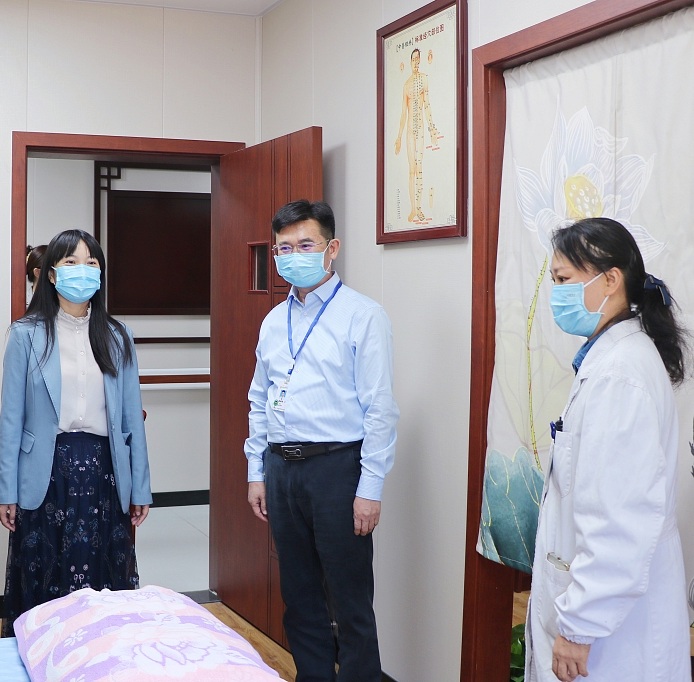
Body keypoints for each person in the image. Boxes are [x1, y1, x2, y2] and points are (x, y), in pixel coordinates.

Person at [527, 218, 690, 682]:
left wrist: (580, 626)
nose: (556, 293)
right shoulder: (612, 360)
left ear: (611, 279)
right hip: (610, 616)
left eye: (564, 279)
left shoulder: (620, 374)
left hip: (612, 635)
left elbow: (618, 520)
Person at [246, 200, 399, 682]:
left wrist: (370, 488)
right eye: (284, 248)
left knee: (350, 601)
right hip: (282, 469)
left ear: (332, 249)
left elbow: (380, 408)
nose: (294, 255)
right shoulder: (274, 321)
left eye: (306, 245)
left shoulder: (363, 315)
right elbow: (259, 399)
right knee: (299, 597)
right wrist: (257, 472)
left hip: (338, 470)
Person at [0, 229, 151, 636]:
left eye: (91, 263)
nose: (82, 270)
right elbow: (11, 418)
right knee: (46, 580)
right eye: (70, 262)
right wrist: (5, 490)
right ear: (50, 274)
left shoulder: (117, 335)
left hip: (104, 472)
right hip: (46, 472)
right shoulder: (25, 334)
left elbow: (131, 419)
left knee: (104, 583)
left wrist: (141, 488)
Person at [394, 48, 441, 224]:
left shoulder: (424, 79)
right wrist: (399, 137)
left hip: (420, 129)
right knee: (411, 170)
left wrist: (432, 129)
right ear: (410, 61)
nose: (416, 62)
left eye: (418, 59)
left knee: (419, 168)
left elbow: (427, 105)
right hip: (409, 132)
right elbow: (403, 113)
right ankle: (413, 208)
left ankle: (419, 207)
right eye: (413, 59)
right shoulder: (406, 85)